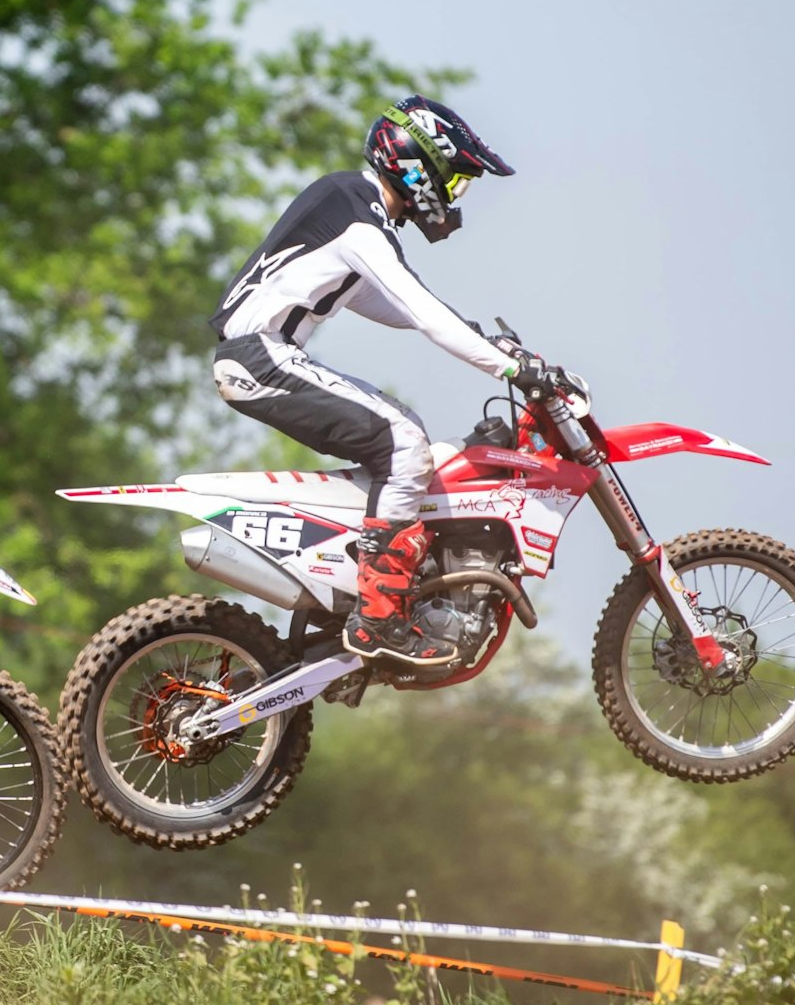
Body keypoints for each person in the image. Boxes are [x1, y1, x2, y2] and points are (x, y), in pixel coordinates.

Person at [209, 94, 562, 665]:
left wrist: (482, 337)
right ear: (419, 165)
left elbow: (383, 299)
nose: (453, 196)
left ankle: (363, 588)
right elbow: (417, 307)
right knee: (403, 442)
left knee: (404, 436)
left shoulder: (353, 209)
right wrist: (509, 366)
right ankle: (378, 615)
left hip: (262, 354)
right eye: (454, 180)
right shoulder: (356, 208)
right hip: (262, 355)